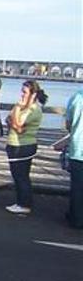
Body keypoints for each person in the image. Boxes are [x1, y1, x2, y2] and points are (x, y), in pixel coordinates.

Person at [5, 80, 47, 214]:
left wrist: (17, 109)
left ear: (33, 94)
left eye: (25, 92)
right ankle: (20, 201)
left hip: (24, 145)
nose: (22, 94)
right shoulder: (22, 106)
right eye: (21, 91)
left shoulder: (34, 109)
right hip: (12, 143)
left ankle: (24, 204)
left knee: (22, 175)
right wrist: (13, 119)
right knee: (16, 175)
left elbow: (17, 126)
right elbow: (8, 120)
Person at [63, 88, 83, 229]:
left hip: (78, 147)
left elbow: (68, 124)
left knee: (77, 187)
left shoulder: (76, 97)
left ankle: (76, 218)